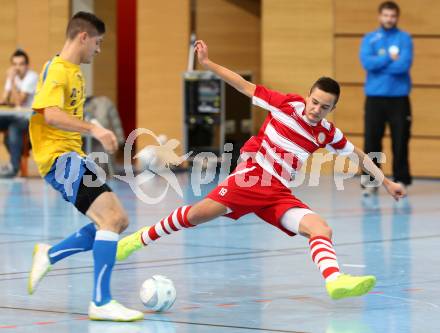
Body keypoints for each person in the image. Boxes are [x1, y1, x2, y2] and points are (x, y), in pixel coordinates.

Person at [116, 40, 406, 300]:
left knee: (320, 228)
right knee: (194, 215)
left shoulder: (326, 133)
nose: (316, 109)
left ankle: (335, 281)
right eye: (314, 101)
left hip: (278, 192)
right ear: (308, 96)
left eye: (324, 107)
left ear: (332, 109)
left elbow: (357, 155)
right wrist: (207, 63)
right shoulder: (286, 105)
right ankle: (134, 241)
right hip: (252, 179)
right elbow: (243, 85)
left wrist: (387, 182)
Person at [27, 12, 143, 321]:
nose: (99, 49)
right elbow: (50, 115)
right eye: (98, 42)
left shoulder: (74, 72)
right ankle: (101, 301)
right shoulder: (58, 72)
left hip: (72, 158)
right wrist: (94, 128)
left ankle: (50, 255)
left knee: (116, 220)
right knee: (114, 219)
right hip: (60, 161)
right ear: (83, 37)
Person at [360, 1, 413, 196]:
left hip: (399, 98)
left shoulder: (404, 38)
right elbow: (367, 63)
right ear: (379, 16)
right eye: (386, 15)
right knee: (371, 141)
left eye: (392, 16)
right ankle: (370, 181)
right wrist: (390, 58)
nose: (389, 19)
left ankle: (401, 180)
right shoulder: (370, 39)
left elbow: (404, 65)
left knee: (400, 141)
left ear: (397, 17)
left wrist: (380, 63)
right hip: (374, 97)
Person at [0, 49, 38, 177]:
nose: (17, 68)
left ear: (27, 65)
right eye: (15, 64)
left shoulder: (32, 77)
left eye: (21, 64)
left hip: (29, 118)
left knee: (13, 128)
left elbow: (19, 102)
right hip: (14, 116)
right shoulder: (12, 78)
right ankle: (16, 158)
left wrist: (11, 80)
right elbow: (4, 99)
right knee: (9, 130)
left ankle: (13, 168)